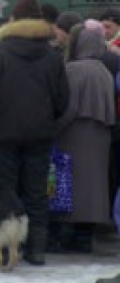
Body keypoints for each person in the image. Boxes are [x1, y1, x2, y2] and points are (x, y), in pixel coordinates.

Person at [0, 0, 70, 266]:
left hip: (2, 137)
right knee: (36, 193)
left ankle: (0, 247)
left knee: (4, 192)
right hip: (40, 136)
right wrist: (47, 120)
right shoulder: (52, 56)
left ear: (13, 20)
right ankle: (36, 249)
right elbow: (63, 100)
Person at [50, 24, 116, 254]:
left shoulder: (73, 70)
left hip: (73, 134)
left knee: (69, 185)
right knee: (94, 187)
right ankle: (85, 236)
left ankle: (68, 234)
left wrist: (53, 128)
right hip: (101, 135)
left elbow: (69, 108)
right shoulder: (104, 70)